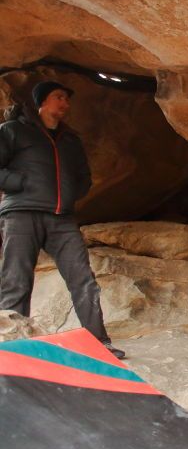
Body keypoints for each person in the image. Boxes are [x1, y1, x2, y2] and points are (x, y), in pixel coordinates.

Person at [0, 81, 125, 359]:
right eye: (59, 97)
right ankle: (12, 348)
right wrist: (18, 182)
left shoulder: (71, 140)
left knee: (83, 279)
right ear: (42, 102)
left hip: (62, 218)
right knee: (16, 281)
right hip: (22, 213)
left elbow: (84, 177)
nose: (65, 103)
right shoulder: (14, 131)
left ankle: (99, 343)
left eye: (67, 98)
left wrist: (71, 195)